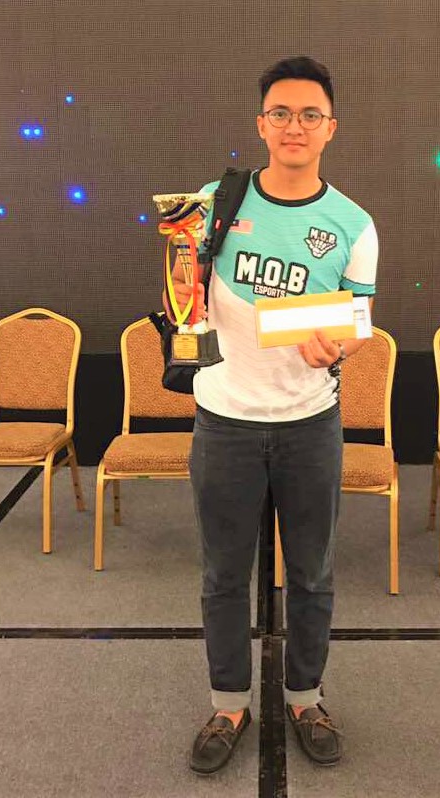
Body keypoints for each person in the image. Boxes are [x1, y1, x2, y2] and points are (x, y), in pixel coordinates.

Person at [163, 56, 378, 774]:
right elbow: (182, 289)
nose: (295, 126)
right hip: (224, 419)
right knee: (223, 574)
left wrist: (339, 345)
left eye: (310, 114)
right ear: (261, 124)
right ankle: (229, 703)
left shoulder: (352, 224)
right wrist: (183, 295)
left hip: (309, 424)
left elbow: (358, 318)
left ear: (330, 128)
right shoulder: (212, 203)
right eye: (281, 113)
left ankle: (305, 697)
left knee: (312, 573)